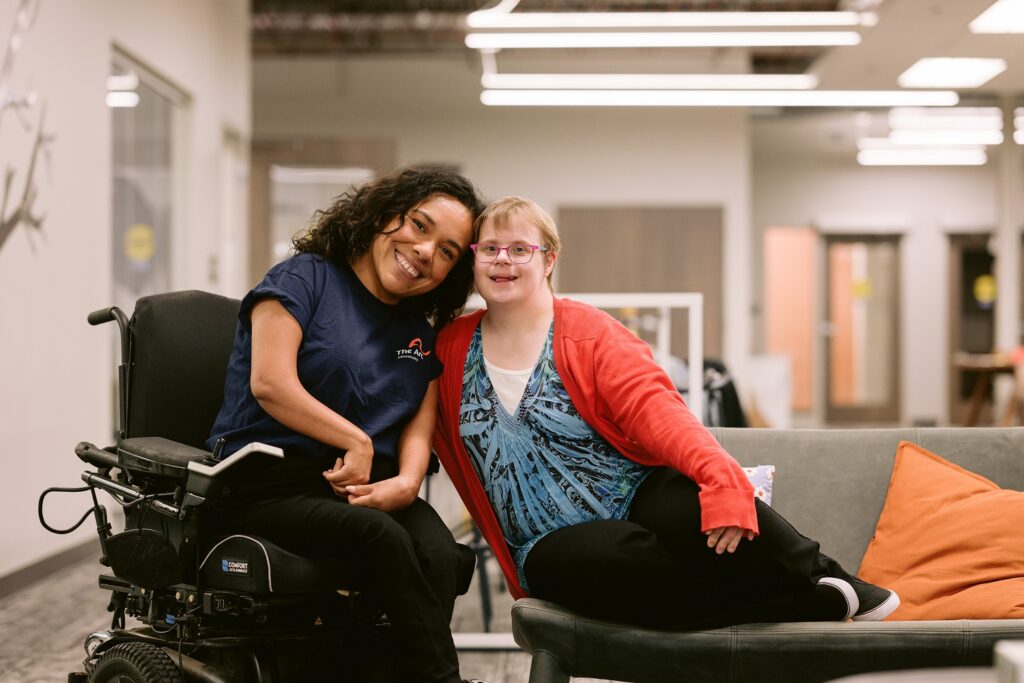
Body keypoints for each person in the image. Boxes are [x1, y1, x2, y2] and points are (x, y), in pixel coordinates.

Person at [432, 196, 901, 631]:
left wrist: (722, 481)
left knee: (696, 504)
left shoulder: (590, 332)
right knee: (617, 560)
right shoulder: (451, 348)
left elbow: (659, 412)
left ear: (548, 259)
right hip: (547, 542)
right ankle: (799, 603)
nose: (502, 260)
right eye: (490, 248)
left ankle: (821, 573)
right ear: (474, 257)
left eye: (519, 248)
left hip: (633, 490)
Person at [207, 166, 488, 683]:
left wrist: (406, 483)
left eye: (448, 251)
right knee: (379, 538)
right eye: (419, 226)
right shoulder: (302, 279)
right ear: (382, 215)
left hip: (362, 490)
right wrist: (354, 439)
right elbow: (270, 383)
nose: (426, 251)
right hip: (266, 485)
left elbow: (419, 427)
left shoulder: (416, 331)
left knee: (442, 554)